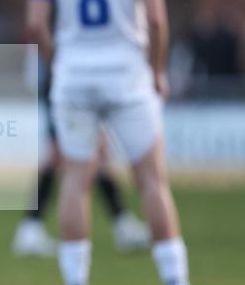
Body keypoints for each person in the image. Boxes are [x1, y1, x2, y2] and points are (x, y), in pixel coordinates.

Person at [25, 0, 217, 285]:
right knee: (152, 180)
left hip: (75, 73)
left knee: (75, 181)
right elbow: (155, 17)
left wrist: (62, 59)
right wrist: (157, 69)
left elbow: (34, 24)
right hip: (128, 72)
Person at [13, 68, 151, 257]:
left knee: (94, 154)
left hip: (75, 83)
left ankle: (122, 222)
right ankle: (31, 228)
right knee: (61, 155)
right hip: (67, 85)